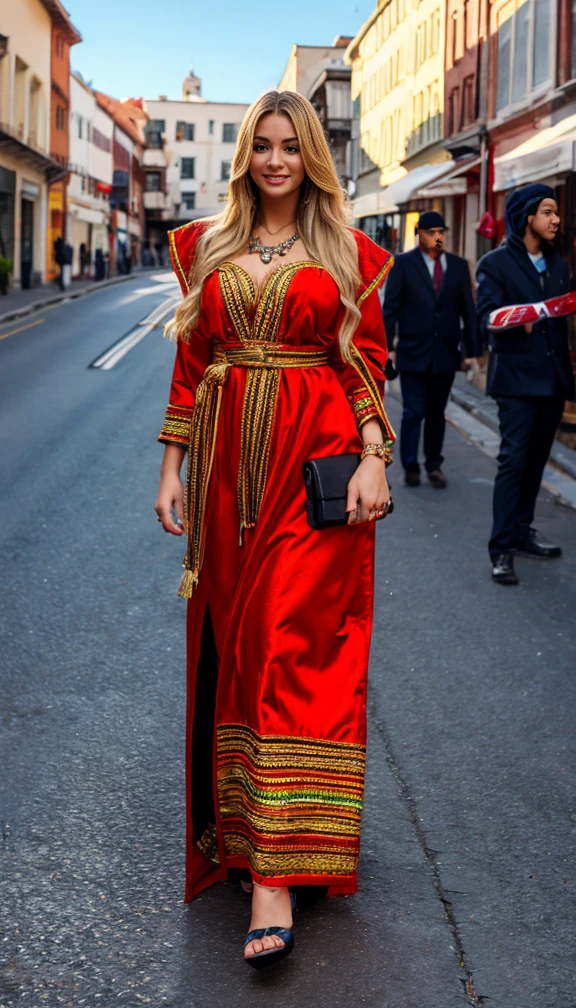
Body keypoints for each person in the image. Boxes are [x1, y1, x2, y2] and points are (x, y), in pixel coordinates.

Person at [154, 90, 396, 969]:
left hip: (313, 465)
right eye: (261, 145)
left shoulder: (346, 253)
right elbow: (192, 362)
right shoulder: (203, 248)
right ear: (244, 156)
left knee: (290, 645)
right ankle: (247, 832)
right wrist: (173, 467)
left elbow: (362, 360)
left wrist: (375, 455)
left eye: (291, 146)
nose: (275, 160)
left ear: (313, 158)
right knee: (240, 648)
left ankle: (275, 876)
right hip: (224, 477)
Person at [476, 184, 574, 585]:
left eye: (557, 212)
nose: (556, 220)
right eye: (548, 212)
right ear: (527, 217)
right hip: (515, 382)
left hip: (552, 380)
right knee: (513, 463)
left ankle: (521, 532)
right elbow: (487, 317)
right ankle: (500, 548)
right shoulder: (495, 263)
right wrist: (525, 314)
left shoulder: (560, 265)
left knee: (535, 464)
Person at [383, 211, 480, 488]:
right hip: (412, 352)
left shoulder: (459, 266)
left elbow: (468, 311)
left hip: (446, 354)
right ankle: (410, 466)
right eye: (431, 232)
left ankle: (434, 465)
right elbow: (390, 310)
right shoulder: (402, 265)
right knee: (413, 411)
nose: (437, 237)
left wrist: (472, 352)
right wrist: (388, 348)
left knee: (437, 412)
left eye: (441, 231)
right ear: (419, 234)